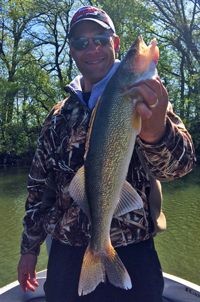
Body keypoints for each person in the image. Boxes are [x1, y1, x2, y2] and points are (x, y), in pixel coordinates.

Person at [17, 5, 196, 302]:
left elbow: (179, 167)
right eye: (80, 43)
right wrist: (29, 250)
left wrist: (154, 132)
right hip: (65, 255)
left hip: (134, 251)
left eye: (100, 39)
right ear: (72, 52)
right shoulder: (58, 116)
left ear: (114, 44)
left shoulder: (146, 97)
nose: (92, 48)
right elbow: (39, 187)